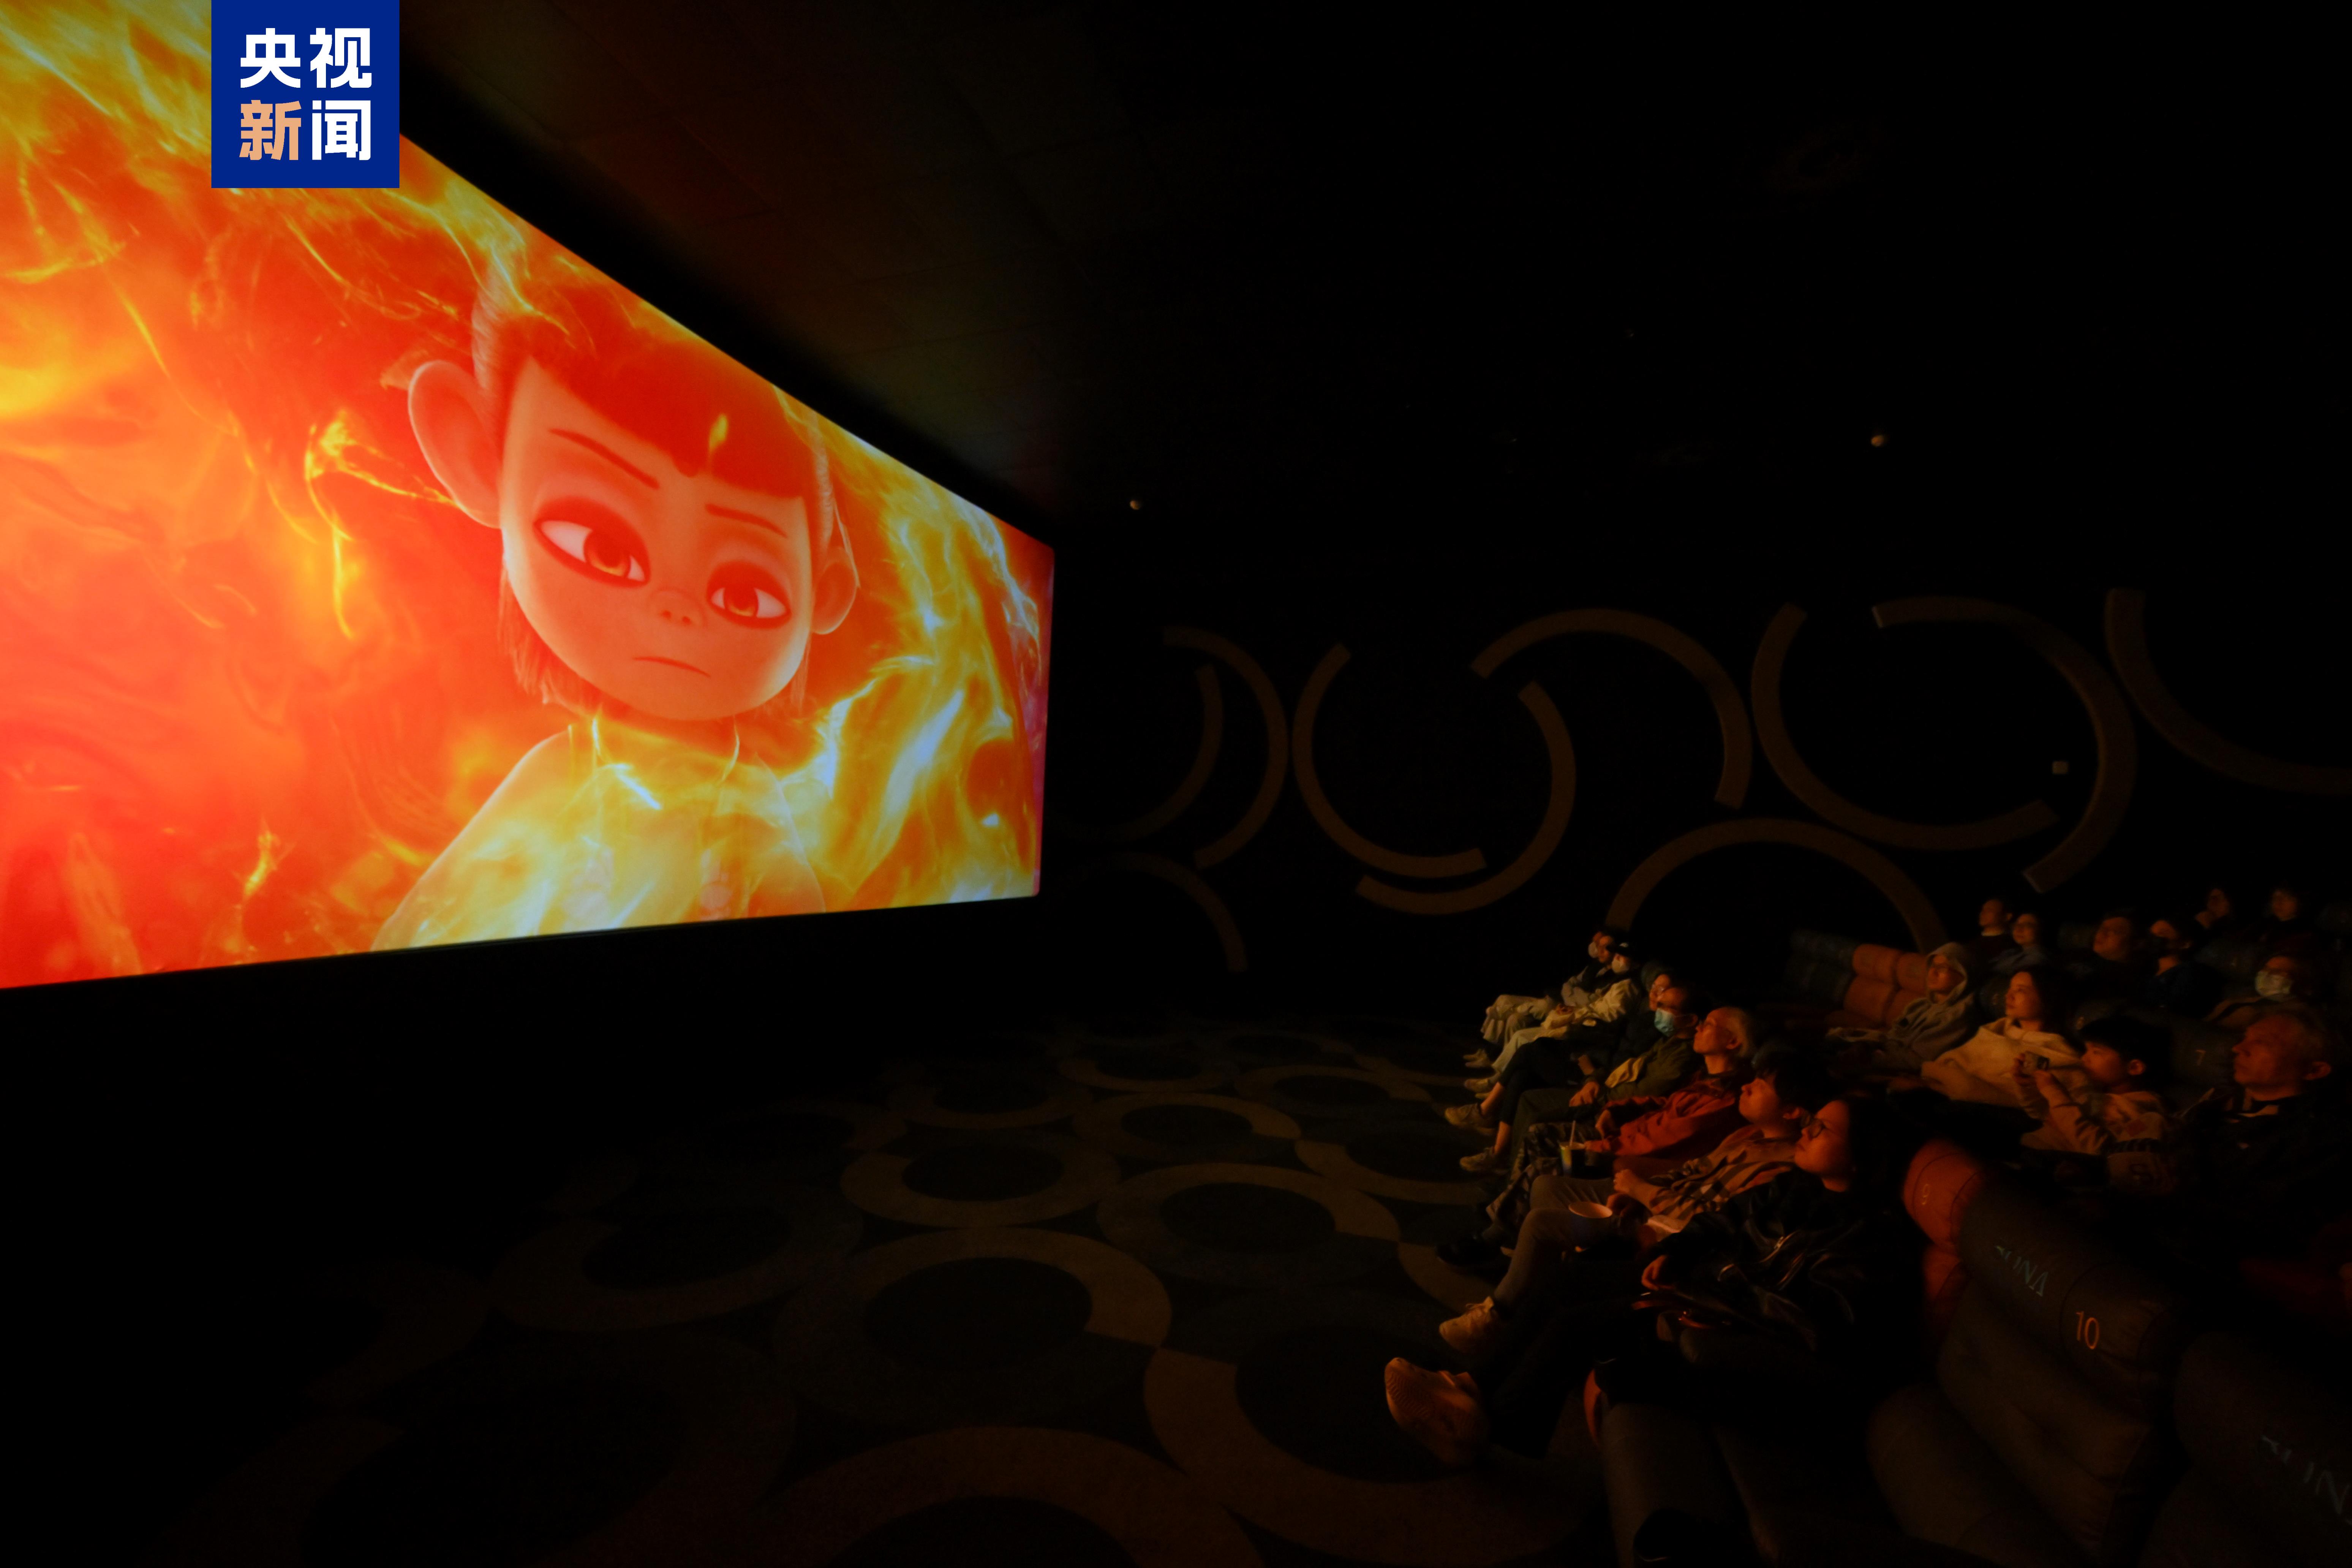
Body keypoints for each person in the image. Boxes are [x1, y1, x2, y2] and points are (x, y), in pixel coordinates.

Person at [384, 242, 860, 946]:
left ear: (826, 592)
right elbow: (437, 909)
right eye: (602, 545)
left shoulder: (745, 793)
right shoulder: (565, 770)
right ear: (480, 462)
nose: (675, 610)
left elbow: (795, 901)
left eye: (744, 593)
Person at [1386, 1095, 1914, 1465]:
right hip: (1700, 1286)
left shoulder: (1871, 1240)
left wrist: (1713, 1298)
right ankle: (1471, 1385)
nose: (1808, 1132)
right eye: (1812, 1122)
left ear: (1863, 1155)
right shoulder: (1797, 1186)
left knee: (1576, 1325)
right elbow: (1721, 1221)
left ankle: (1481, 1428)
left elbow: (1814, 1324)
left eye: (1824, 1129)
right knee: (1565, 1281)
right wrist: (1673, 1251)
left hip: (1727, 1326)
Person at [1433, 1050, 1835, 1352]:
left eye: (1760, 1086)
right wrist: (1634, 1189)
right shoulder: (1748, 1135)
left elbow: (1707, 1218)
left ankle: (1498, 1315)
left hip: (1666, 1230)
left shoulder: (1778, 1172)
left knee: (1541, 1222)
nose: (1747, 1085)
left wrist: (1640, 1188)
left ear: (1792, 1111)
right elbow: (1688, 1169)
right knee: (1547, 1187)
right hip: (1652, 1199)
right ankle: (1525, 1284)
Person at [2157, 1003, 2348, 1273]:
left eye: (2263, 1043)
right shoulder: (2218, 1103)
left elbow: (2255, 1224)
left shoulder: (2317, 1140)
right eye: (2245, 1037)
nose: (2238, 1048)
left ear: (2314, 1070)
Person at [1453, 983, 1701, 1176]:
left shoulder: (1681, 1054)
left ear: (1692, 1019)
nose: (1658, 1002)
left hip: (1607, 1099)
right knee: (1524, 1074)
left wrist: (1595, 1084)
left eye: (1667, 1005)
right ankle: (1501, 1152)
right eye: (1657, 993)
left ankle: (1506, 1160)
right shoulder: (1667, 1038)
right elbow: (1626, 1063)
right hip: (1600, 1076)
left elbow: (1642, 1090)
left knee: (1532, 1083)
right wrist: (1594, 1076)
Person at [2015, 1013, 2178, 1195]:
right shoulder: (2096, 1093)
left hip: (2049, 1166)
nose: (2085, 1058)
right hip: (2031, 1145)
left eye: (2096, 1052)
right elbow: (2044, 1116)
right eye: (2086, 1050)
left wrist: (2055, 1093)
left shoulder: (2143, 1110)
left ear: (2134, 1067)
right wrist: (2029, 1087)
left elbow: (2102, 1151)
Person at [1912, 967, 2081, 1107]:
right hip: (1939, 1086)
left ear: (2047, 998)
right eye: (2010, 989)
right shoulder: (1997, 1029)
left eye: (2020, 990)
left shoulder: (2056, 1052)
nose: (2008, 996)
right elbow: (1958, 1058)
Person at [1830, 942, 1982, 1076]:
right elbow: (1893, 1035)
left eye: (1942, 969)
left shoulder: (1957, 1016)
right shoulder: (1922, 1005)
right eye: (1932, 966)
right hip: (1883, 1051)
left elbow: (1916, 1060)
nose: (1932, 973)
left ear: (1963, 975)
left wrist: (1868, 1056)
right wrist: (1862, 1041)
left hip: (1894, 1068)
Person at [1475, 927, 1621, 1056]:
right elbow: (1568, 985)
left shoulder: (1614, 979)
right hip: (1560, 1000)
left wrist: (1573, 994)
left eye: (1603, 946)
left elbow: (1589, 1001)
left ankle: (1499, 1038)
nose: (1597, 949)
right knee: (1504, 999)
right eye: (1597, 944)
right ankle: (1488, 1052)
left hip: (1567, 1009)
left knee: (1527, 1013)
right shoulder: (1594, 967)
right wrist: (1574, 994)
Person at [2207, 953, 2321, 1036]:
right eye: (2266, 969)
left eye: (2277, 972)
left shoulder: (2295, 1018)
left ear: (2299, 981)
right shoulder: (2257, 998)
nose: (2266, 975)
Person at [2142, 912, 2224, 1017]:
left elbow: (2174, 1010)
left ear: (2185, 944)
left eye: (2162, 933)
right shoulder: (2146, 969)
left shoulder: (2191, 971)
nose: (2154, 938)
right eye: (2151, 934)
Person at [2069, 910, 2148, 1001]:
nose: (2102, 933)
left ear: (2137, 944)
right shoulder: (2081, 955)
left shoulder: (2126, 984)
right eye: (2103, 928)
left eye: (2115, 932)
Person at [1968, 897, 2014, 965]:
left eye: (1989, 910)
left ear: (2007, 917)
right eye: (1983, 910)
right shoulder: (1973, 943)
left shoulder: (2010, 944)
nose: (1983, 913)